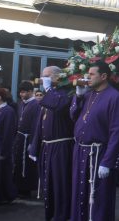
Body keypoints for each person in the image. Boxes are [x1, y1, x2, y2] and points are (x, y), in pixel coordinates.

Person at [70, 61, 119, 221]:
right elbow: (73, 116)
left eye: (92, 74)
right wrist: (78, 96)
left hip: (98, 154)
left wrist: (107, 162)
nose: (88, 77)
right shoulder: (88, 94)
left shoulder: (114, 97)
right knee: (79, 191)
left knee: (98, 197)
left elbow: (117, 132)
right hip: (81, 151)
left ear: (103, 76)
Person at [28, 66, 74, 221]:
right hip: (47, 146)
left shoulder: (65, 93)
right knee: (49, 184)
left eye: (47, 76)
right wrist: (34, 148)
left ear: (57, 77)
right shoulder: (48, 97)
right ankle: (51, 214)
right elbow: (40, 125)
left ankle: (61, 215)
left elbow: (58, 105)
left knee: (60, 183)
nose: (43, 79)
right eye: (43, 77)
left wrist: (48, 88)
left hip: (61, 147)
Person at [13, 81, 41, 197]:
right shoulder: (21, 104)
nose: (21, 95)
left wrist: (32, 142)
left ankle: (26, 188)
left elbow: (36, 125)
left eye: (24, 92)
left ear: (30, 92)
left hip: (28, 138)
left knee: (27, 165)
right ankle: (19, 186)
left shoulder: (36, 105)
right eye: (20, 92)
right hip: (20, 138)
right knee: (19, 163)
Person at [0, 88, 18, 204]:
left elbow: (8, 132)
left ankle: (6, 195)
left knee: (4, 173)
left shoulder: (8, 111)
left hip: (3, 149)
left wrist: (4, 152)